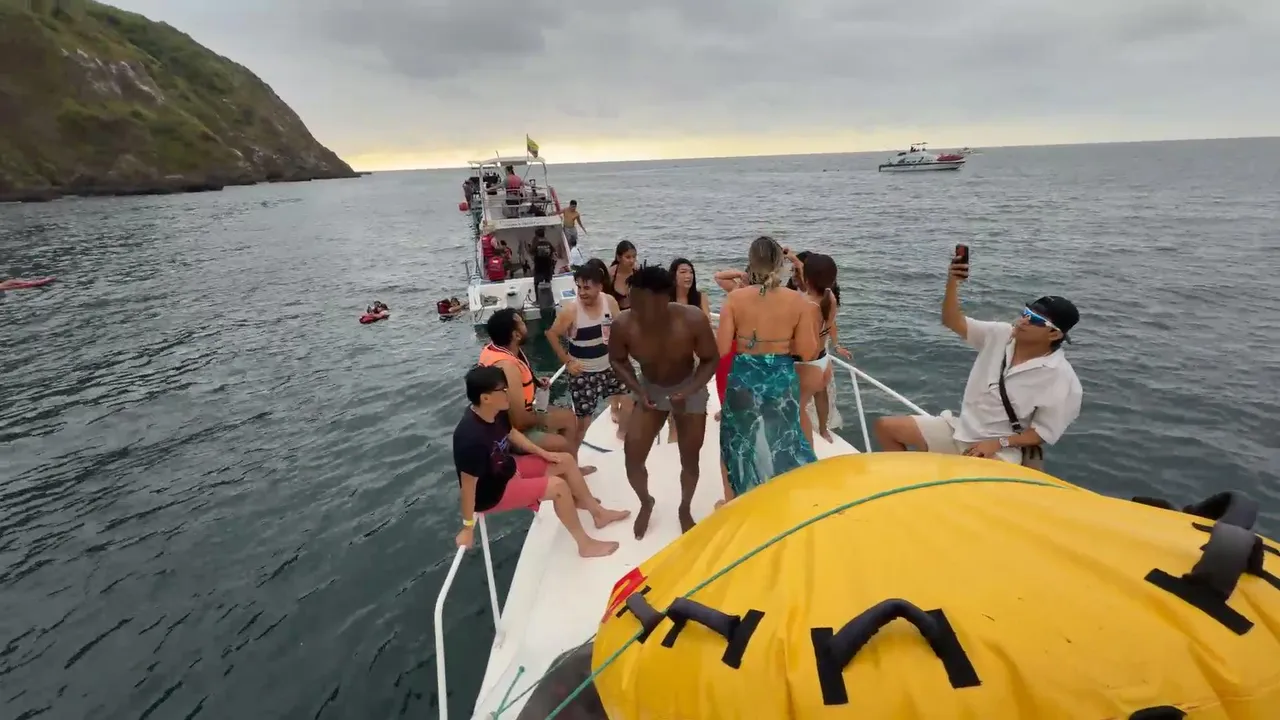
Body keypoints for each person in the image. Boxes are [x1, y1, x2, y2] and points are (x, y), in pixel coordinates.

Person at [873, 249, 1083, 467]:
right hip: (959, 431)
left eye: (1036, 320)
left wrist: (998, 443)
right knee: (886, 428)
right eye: (1026, 313)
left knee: (972, 481)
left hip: (1001, 448)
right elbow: (952, 321)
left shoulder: (1061, 378)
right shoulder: (1000, 334)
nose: (1023, 321)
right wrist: (953, 282)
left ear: (1054, 334)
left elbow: (1041, 433)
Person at [453, 365, 627, 558]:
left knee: (565, 460)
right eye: (503, 390)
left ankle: (598, 514)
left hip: (506, 469)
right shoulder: (470, 439)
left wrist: (543, 453)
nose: (509, 393)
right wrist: (467, 527)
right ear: (486, 398)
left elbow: (511, 433)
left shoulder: (496, 411)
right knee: (558, 487)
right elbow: (468, 488)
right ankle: (585, 545)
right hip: (492, 492)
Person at [609, 263, 719, 538]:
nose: (635, 311)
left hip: (689, 387)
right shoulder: (624, 324)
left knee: (690, 458)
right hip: (650, 388)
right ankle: (646, 502)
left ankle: (685, 507)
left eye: (643, 306)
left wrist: (690, 389)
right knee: (632, 456)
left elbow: (710, 359)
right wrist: (637, 389)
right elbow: (617, 360)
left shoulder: (692, 319)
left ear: (664, 300)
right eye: (633, 303)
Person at [717, 237, 820, 505]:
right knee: (783, 441)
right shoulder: (798, 301)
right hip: (780, 380)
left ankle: (734, 504)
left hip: (744, 378)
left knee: (736, 442)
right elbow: (808, 352)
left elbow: (722, 348)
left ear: (751, 262)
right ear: (779, 263)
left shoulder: (735, 298)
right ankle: (785, 500)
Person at [480, 309, 596, 475]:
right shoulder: (507, 368)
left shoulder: (498, 349)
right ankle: (569, 479)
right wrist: (543, 418)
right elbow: (519, 422)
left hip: (518, 416)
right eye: (521, 323)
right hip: (509, 431)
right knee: (563, 444)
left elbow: (519, 377)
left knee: (569, 418)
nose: (525, 325)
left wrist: (535, 382)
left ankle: (573, 471)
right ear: (516, 335)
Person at [545, 263, 630, 447]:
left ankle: (622, 434)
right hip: (583, 373)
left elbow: (620, 326)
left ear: (599, 287)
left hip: (610, 365)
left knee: (629, 401)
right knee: (583, 424)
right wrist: (568, 361)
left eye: (587, 288)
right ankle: (574, 457)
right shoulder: (571, 310)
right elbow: (551, 334)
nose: (582, 292)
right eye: (579, 287)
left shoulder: (609, 302)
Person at [790, 253, 851, 446]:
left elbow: (806, 348)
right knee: (821, 396)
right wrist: (794, 258)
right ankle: (824, 431)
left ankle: (804, 447)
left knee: (796, 409)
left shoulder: (807, 306)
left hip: (807, 364)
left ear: (807, 279)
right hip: (823, 362)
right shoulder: (829, 298)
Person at [608, 241, 637, 311]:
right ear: (618, 258)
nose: (632, 260)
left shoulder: (638, 273)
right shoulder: (611, 274)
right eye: (628, 257)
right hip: (616, 313)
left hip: (635, 313)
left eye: (634, 256)